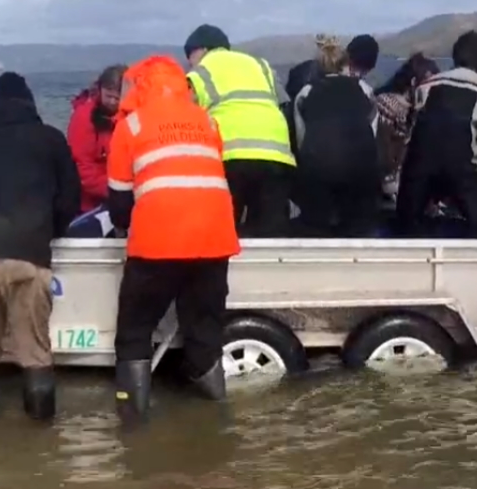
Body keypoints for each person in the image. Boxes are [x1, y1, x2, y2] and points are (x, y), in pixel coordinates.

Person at [107, 55, 240, 423]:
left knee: (136, 328)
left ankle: (133, 423)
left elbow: (118, 204)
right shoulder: (208, 121)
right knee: (205, 327)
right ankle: (217, 416)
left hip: (157, 242)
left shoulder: (131, 126)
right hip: (215, 239)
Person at [0, 71, 82, 420]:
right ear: (29, 104)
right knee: (35, 354)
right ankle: (41, 451)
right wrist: (47, 230)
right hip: (27, 254)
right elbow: (70, 197)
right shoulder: (49, 139)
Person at [396, 31, 477, 238]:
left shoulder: (426, 87)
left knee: (407, 227)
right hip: (466, 174)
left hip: (419, 172)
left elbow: (410, 136)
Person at [184, 24, 296, 237]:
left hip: (228, 157)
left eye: (190, 55)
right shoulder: (261, 66)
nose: (189, 61)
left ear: (202, 50)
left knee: (222, 233)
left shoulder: (200, 72)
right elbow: (284, 105)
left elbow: (186, 119)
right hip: (276, 156)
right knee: (268, 236)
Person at [291, 34, 382, 237]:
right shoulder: (364, 90)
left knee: (316, 227)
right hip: (359, 170)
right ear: (345, 64)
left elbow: (301, 139)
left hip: (318, 171)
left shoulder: (306, 92)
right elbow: (372, 132)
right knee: (357, 227)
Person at [373, 53, 440, 206]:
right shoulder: (387, 106)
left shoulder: (416, 111)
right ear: (414, 82)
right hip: (385, 186)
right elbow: (384, 155)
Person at [67, 65, 126, 213]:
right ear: (100, 90)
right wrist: (117, 191)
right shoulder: (83, 118)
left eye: (117, 98)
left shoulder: (134, 116)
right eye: (108, 96)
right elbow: (82, 166)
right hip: (93, 203)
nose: (113, 102)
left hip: (125, 194)